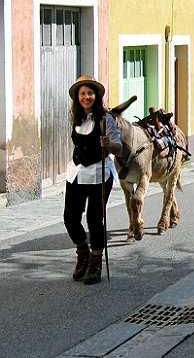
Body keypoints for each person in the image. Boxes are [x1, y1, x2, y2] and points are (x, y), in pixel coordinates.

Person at [64, 76, 122, 285]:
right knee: (70, 218)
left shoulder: (106, 119)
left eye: (90, 93)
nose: (86, 97)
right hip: (76, 173)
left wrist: (108, 143)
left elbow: (118, 148)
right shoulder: (76, 117)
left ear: (96, 96)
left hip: (99, 173)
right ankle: (83, 253)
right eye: (83, 94)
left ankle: (95, 262)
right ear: (78, 98)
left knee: (94, 220)